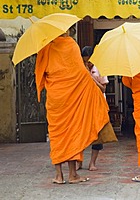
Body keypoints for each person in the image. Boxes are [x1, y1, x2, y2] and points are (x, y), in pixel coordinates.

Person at [35, 27, 110, 184]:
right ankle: (72, 174)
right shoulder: (71, 44)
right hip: (72, 99)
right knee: (72, 134)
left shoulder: (45, 47)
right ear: (66, 30)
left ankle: (58, 175)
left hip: (55, 99)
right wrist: (95, 92)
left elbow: (40, 72)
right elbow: (81, 72)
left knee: (57, 136)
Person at [76, 46, 109, 171]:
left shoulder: (99, 69)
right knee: (80, 134)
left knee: (97, 136)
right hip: (83, 106)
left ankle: (92, 163)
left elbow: (103, 89)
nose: (87, 63)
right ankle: (79, 161)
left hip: (98, 106)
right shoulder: (80, 69)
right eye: (85, 61)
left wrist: (91, 80)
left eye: (89, 61)